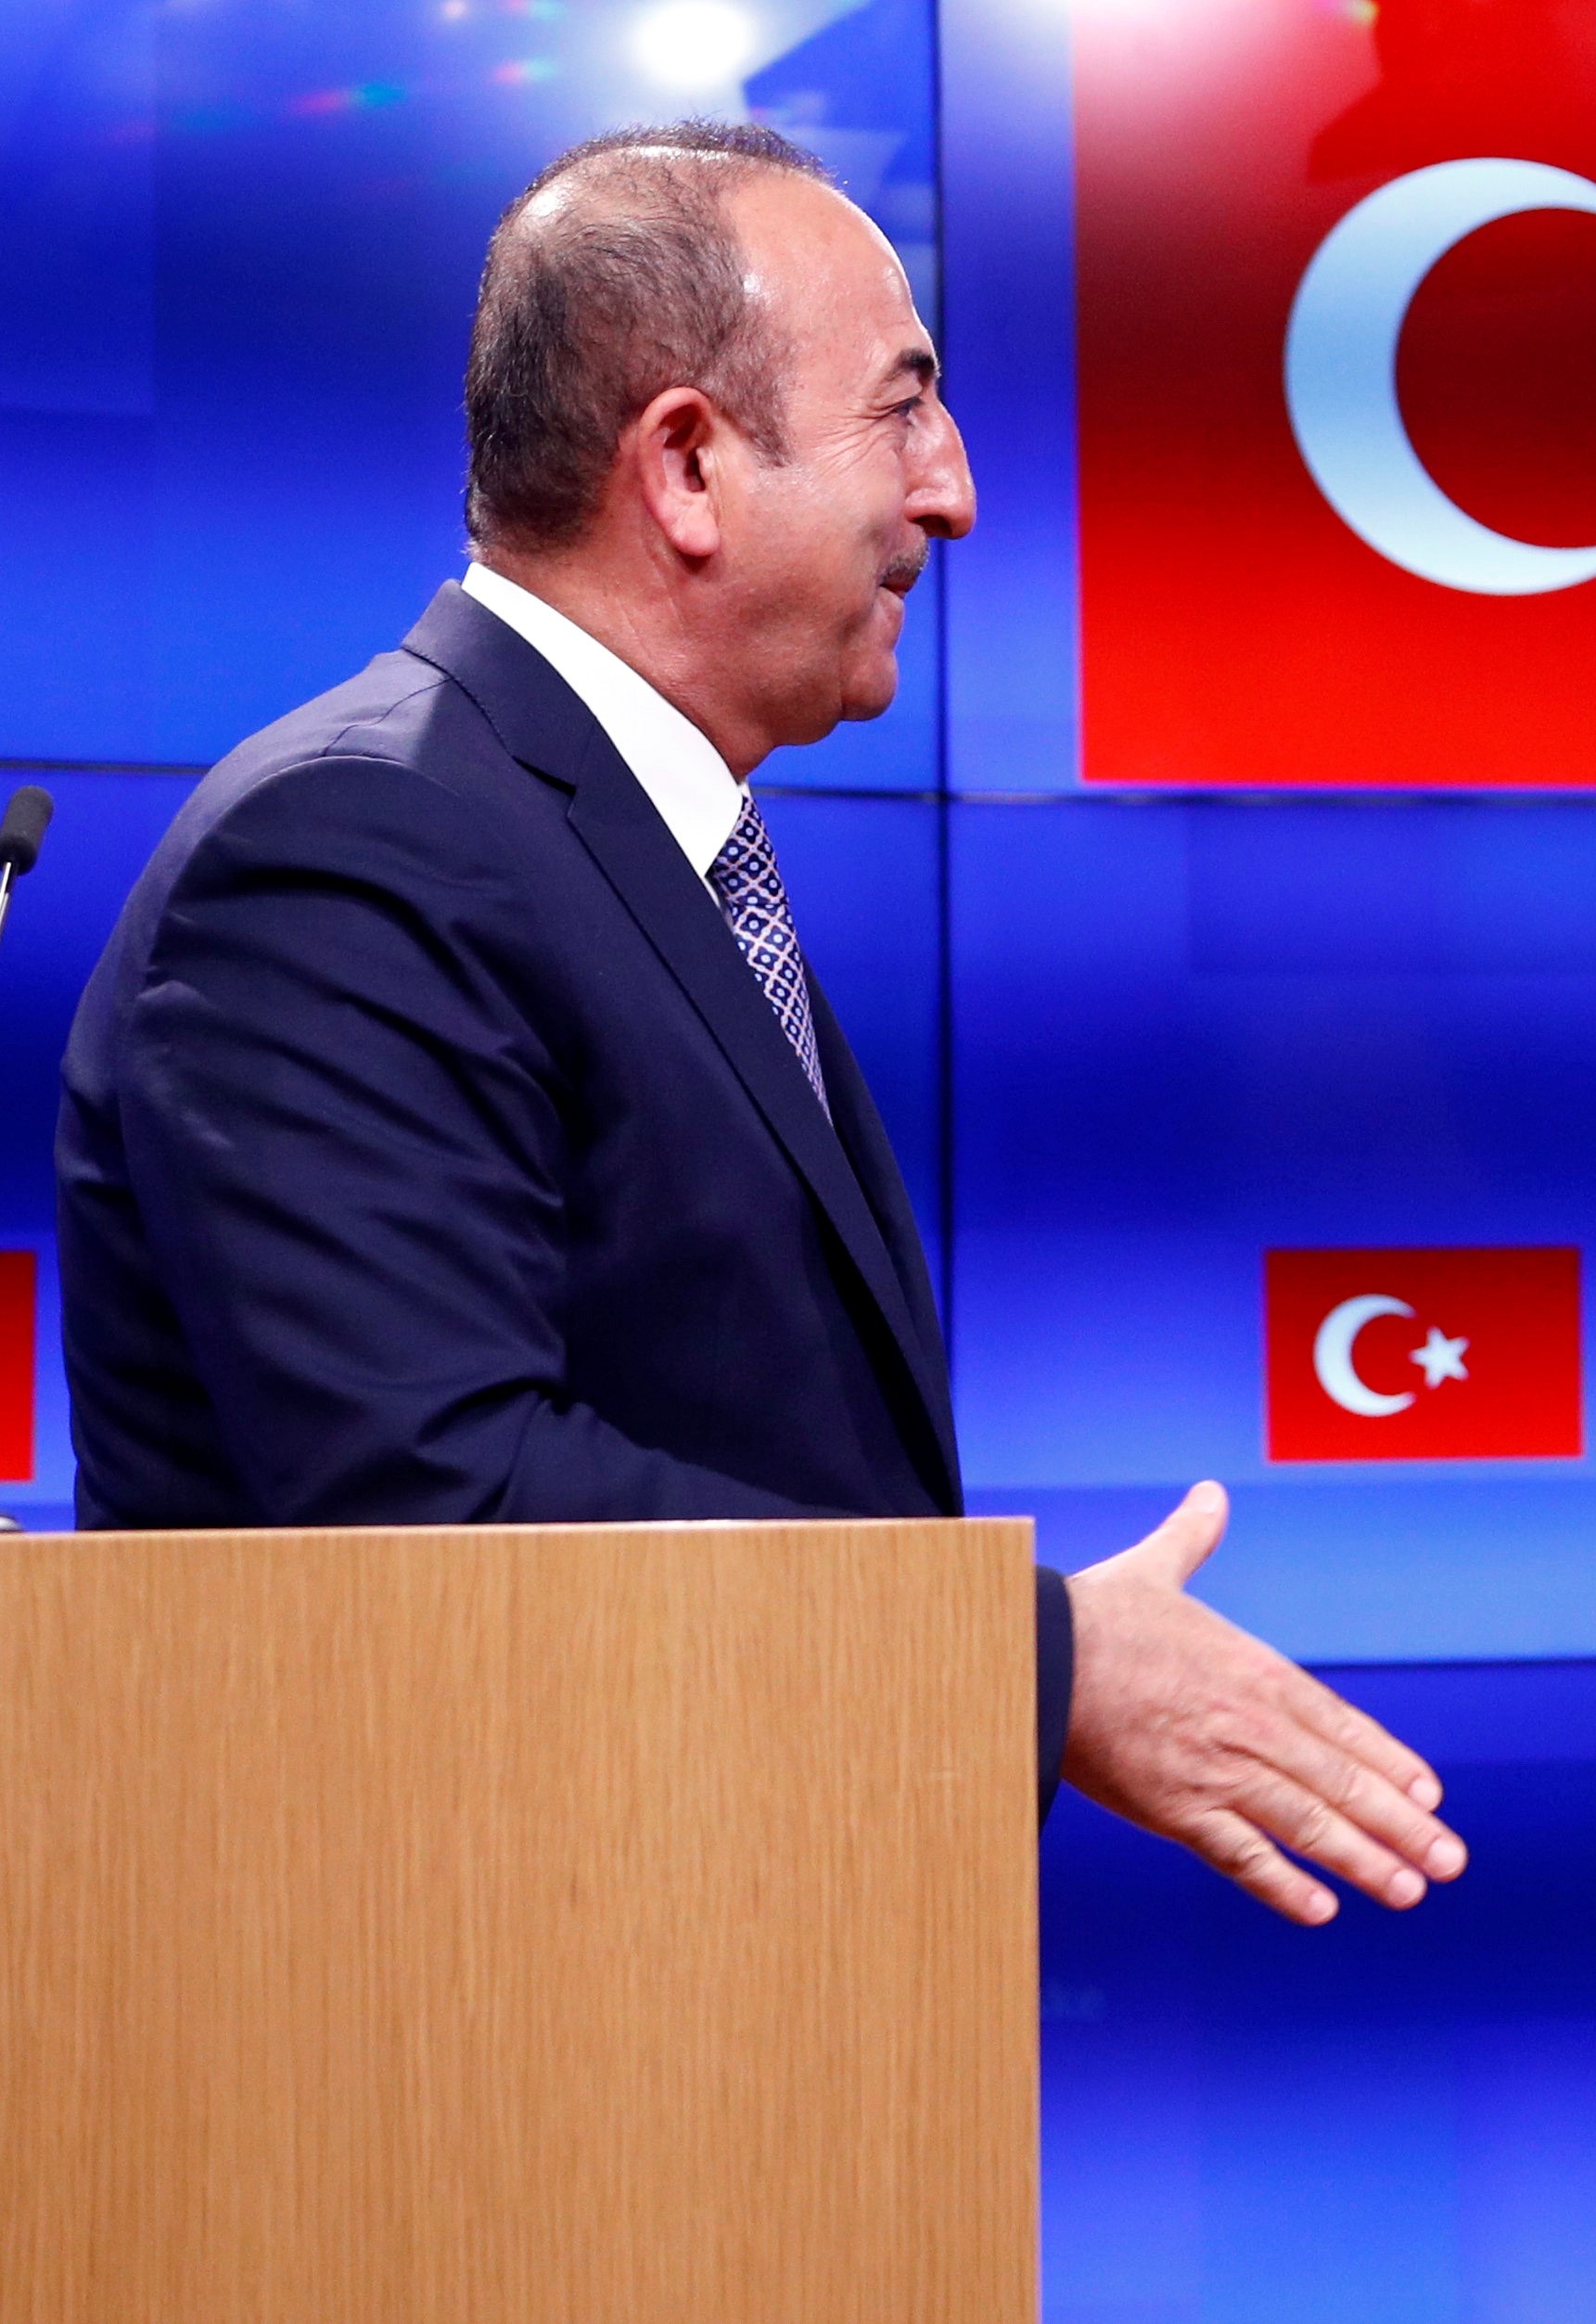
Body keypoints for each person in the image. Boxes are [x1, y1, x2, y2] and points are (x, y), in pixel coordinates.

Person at [57, 121, 1463, 1930]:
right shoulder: (353, 847)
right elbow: (439, 1503)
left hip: (719, 2006)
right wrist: (1030, 1657)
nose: (951, 491)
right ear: (691, 466)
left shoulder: (618, 837)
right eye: (903, 408)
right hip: (437, 2041)